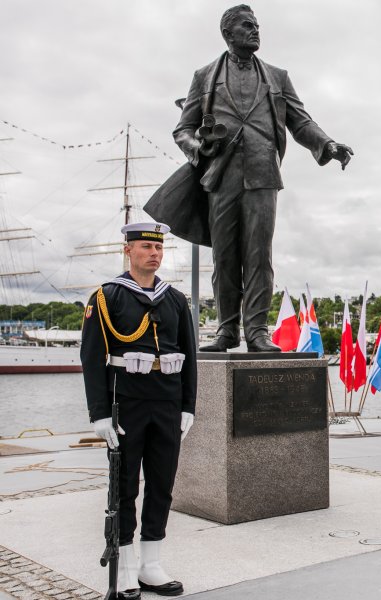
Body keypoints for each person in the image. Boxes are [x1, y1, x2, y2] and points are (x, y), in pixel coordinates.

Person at [171, 4, 353, 352]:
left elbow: (300, 121)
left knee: (258, 255)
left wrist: (327, 144)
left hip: (263, 174)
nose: (256, 31)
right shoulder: (204, 76)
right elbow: (183, 130)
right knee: (224, 256)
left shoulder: (278, 76)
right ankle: (226, 330)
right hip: (221, 176)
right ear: (228, 34)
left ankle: (256, 331)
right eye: (247, 26)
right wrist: (199, 148)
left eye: (257, 25)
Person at [81, 222, 197, 599]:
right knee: (125, 487)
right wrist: (99, 414)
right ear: (127, 250)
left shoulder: (175, 299)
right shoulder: (107, 297)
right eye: (146, 246)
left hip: (166, 401)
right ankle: (127, 567)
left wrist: (188, 406)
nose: (154, 253)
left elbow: (190, 356)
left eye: (159, 248)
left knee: (162, 483)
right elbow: (92, 359)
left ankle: (151, 564)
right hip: (125, 401)